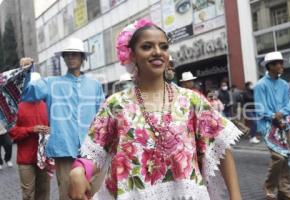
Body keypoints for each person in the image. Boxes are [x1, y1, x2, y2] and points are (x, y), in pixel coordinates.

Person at [68, 19, 242, 200]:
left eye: (163, 46)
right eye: (147, 47)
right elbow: (96, 152)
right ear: (132, 55)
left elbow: (220, 145)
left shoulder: (191, 100)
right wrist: (78, 170)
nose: (158, 52)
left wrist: (235, 196)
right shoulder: (115, 104)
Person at [19, 37, 105, 200]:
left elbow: (102, 118)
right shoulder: (50, 83)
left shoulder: (94, 85)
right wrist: (25, 72)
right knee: (67, 194)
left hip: (91, 149)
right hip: (64, 148)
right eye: (67, 54)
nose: (71, 57)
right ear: (64, 58)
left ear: (82, 58)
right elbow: (25, 93)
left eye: (75, 54)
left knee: (93, 194)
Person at [254, 51, 290, 200]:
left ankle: (284, 192)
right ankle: (268, 186)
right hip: (268, 126)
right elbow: (260, 107)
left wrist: (281, 113)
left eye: (281, 62)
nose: (282, 65)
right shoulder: (260, 85)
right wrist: (273, 116)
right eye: (278, 63)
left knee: (286, 159)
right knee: (278, 157)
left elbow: (288, 104)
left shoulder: (284, 84)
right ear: (270, 66)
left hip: (284, 125)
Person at [9, 72, 51, 200]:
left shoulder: (46, 104)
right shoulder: (17, 106)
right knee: (28, 194)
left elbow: (54, 126)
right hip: (26, 158)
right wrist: (31, 130)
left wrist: (50, 130)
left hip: (43, 156)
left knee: (44, 192)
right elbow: (12, 132)